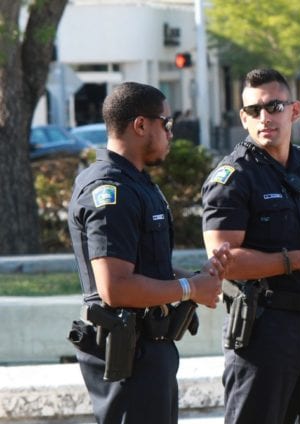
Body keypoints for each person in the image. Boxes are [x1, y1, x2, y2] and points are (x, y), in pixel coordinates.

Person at [201, 68, 300, 424]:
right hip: (263, 333)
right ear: (244, 119)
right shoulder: (233, 177)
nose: (264, 117)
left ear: (295, 110)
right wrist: (298, 261)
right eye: (253, 111)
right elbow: (222, 261)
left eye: (273, 106)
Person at [67, 81, 230, 424]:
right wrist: (189, 290)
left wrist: (193, 278)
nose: (171, 133)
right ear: (141, 125)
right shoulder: (110, 191)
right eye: (167, 124)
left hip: (149, 351)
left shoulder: (135, 182)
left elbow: (144, 266)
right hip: (128, 359)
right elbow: (116, 287)